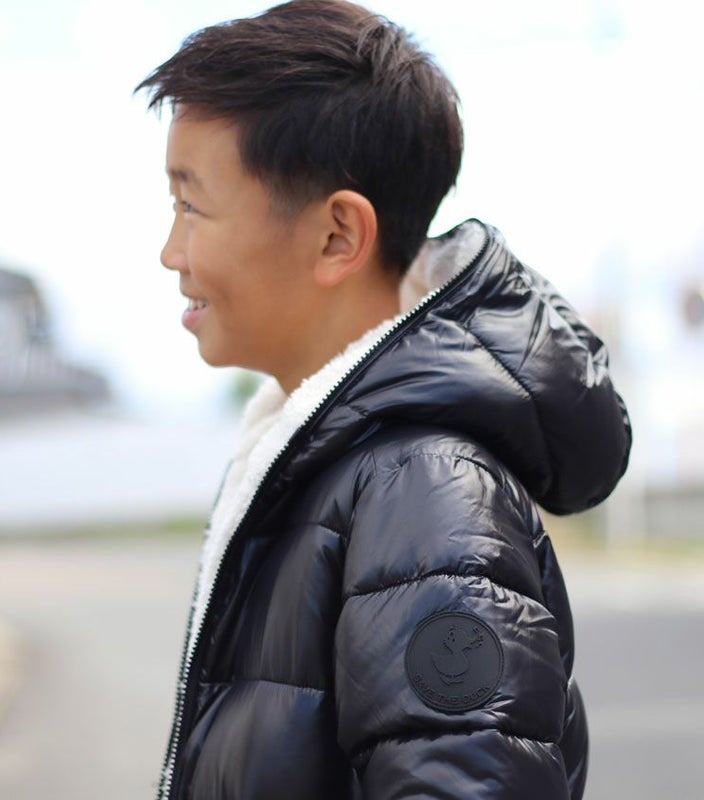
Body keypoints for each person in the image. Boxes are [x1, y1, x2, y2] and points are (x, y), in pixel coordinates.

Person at [136, 1, 631, 798]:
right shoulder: (334, 465)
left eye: (192, 206)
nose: (170, 252)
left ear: (338, 236)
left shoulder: (426, 494)